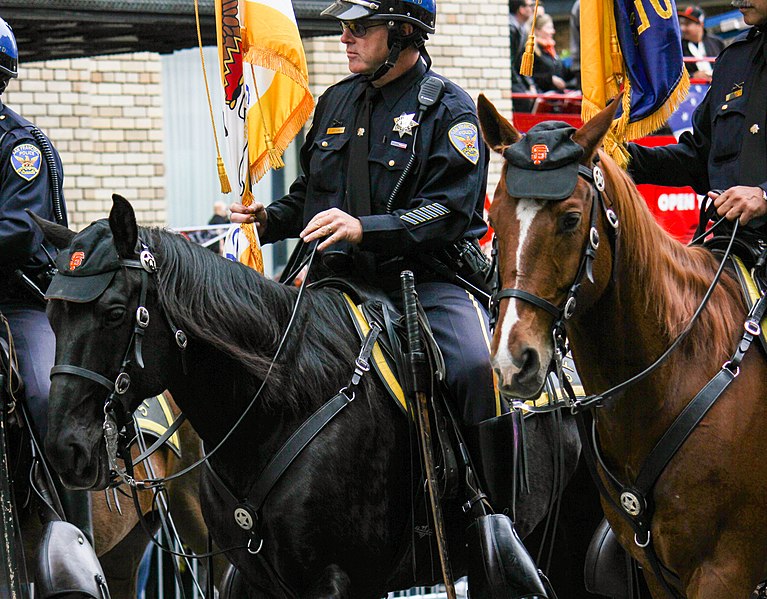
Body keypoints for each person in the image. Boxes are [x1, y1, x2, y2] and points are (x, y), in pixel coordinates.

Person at [230, 1, 547, 596]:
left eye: (360, 27)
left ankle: (495, 531)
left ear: (403, 32)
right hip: (336, 284)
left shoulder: (448, 108)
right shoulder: (336, 101)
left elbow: (450, 211)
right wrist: (267, 218)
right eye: (344, 25)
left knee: (479, 369)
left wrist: (365, 228)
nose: (344, 36)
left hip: (423, 281)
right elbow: (308, 196)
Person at [0, 15, 102, 583]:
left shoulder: (20, 148)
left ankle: (72, 554)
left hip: (16, 305)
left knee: (45, 397)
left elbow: (19, 230)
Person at [627, 0, 767, 265]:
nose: (738, 1)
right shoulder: (735, 58)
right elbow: (697, 157)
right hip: (734, 250)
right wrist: (622, 157)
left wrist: (764, 195)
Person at [530, 14, 577, 94]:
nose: (553, 31)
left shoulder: (551, 51)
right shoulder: (532, 52)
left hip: (558, 98)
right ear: (537, 30)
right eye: (549, 28)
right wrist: (551, 79)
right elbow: (531, 77)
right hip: (543, 97)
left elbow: (564, 73)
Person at [678, 5, 725, 82]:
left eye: (687, 24)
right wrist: (693, 76)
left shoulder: (716, 43)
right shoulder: (679, 47)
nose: (683, 28)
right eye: (682, 24)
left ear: (700, 25)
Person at [510, 0, 537, 111]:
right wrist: (522, 87)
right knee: (523, 98)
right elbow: (510, 63)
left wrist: (530, 85)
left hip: (515, 77)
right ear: (521, 9)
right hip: (510, 78)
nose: (533, 9)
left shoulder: (521, 28)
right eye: (530, 6)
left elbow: (522, 62)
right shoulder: (511, 27)